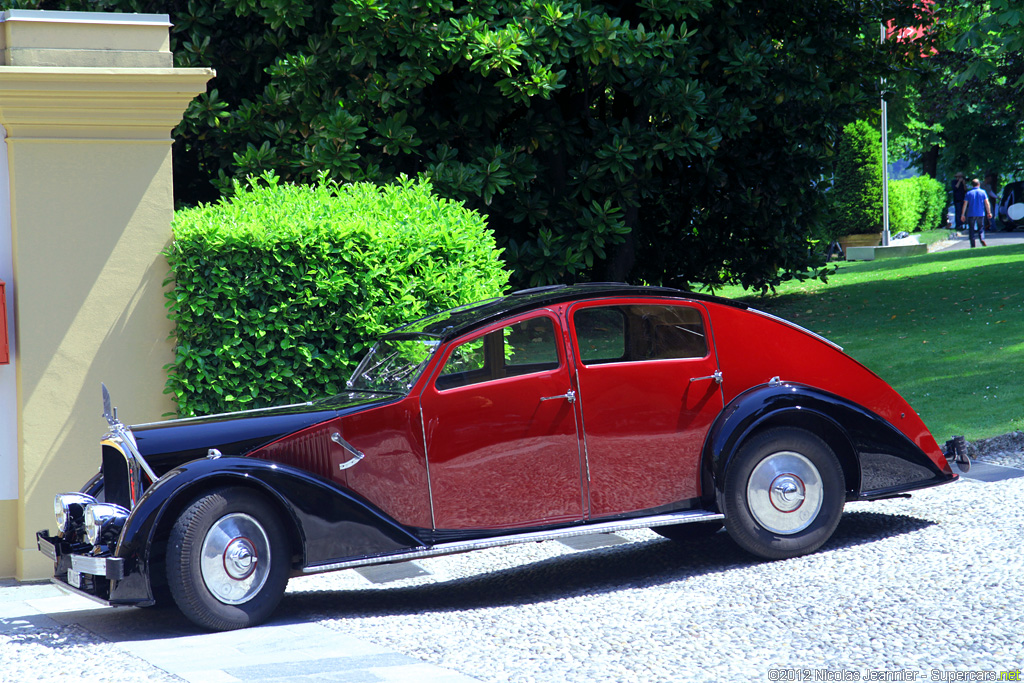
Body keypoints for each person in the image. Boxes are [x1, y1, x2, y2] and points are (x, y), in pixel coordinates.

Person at [961, 178, 991, 248]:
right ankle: (982, 239)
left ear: (972, 185)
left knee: (971, 229)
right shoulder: (983, 192)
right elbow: (987, 202)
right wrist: (989, 212)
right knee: (981, 228)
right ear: (979, 184)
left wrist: (962, 214)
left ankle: (973, 244)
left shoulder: (969, 193)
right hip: (980, 213)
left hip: (971, 214)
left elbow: (965, 204)